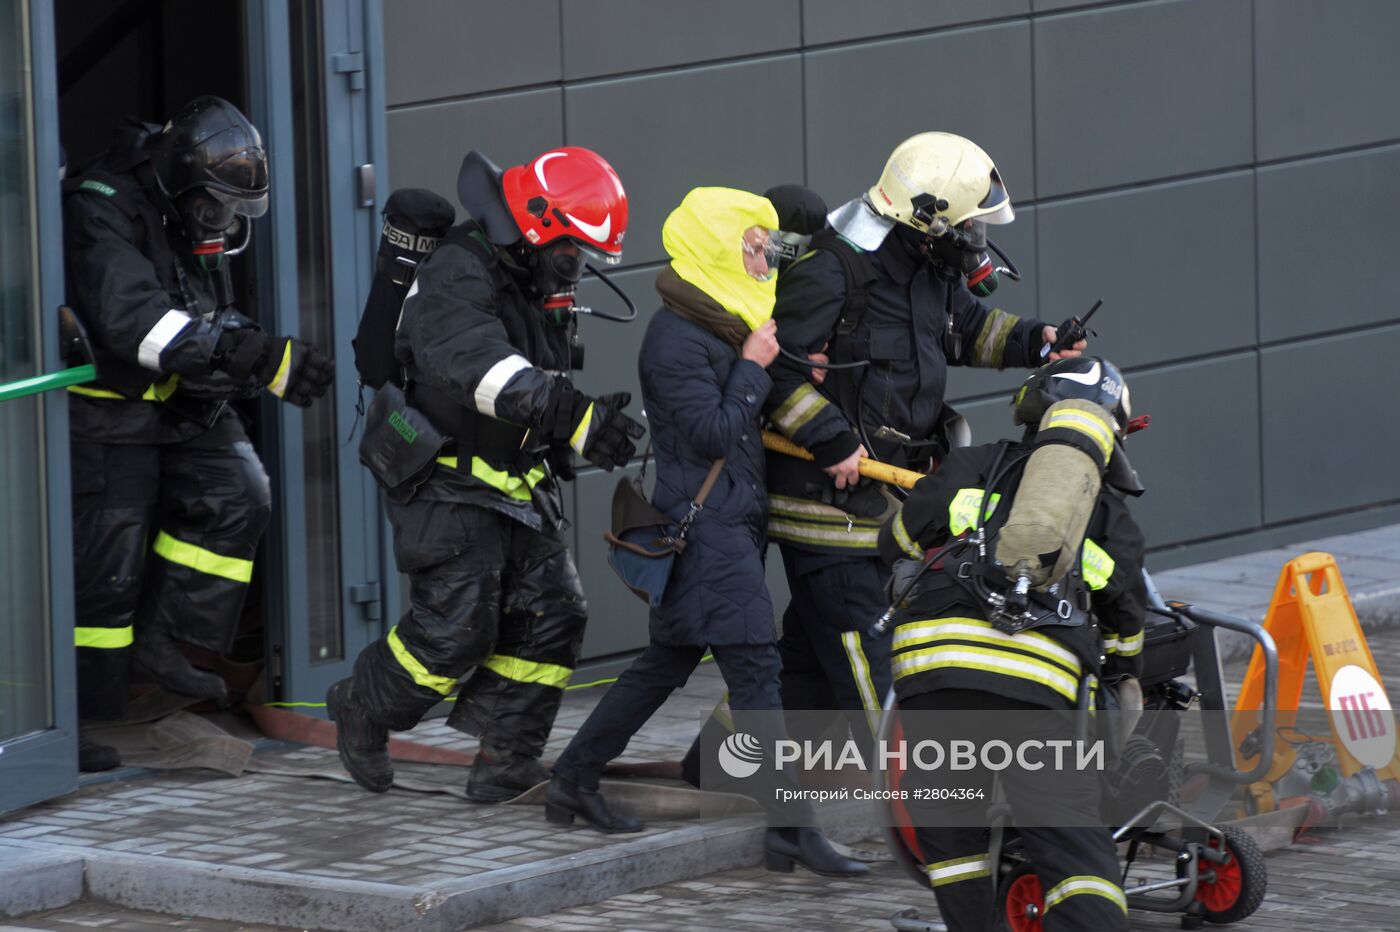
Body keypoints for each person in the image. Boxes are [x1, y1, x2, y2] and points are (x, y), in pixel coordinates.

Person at [546, 187, 866, 877]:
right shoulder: (676, 338)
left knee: (662, 665)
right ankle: (792, 829)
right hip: (708, 529)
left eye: (764, 248)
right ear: (718, 250)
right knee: (758, 672)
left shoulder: (723, 323)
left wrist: (780, 365)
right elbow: (715, 430)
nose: (763, 260)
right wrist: (753, 369)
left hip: (722, 525)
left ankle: (573, 777)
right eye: (753, 248)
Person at [327, 147, 645, 803]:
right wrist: (570, 414)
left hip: (513, 478)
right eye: (571, 253)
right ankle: (363, 704)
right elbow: (472, 360)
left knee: (553, 613)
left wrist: (569, 428)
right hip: (443, 475)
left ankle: (505, 759)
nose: (577, 268)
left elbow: (537, 371)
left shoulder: (531, 277)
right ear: (535, 227)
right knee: (453, 633)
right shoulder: (456, 270)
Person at [763, 132, 1087, 737]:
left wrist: (1038, 340)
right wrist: (832, 438)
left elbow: (967, 329)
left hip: (885, 499)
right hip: (827, 507)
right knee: (873, 671)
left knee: (807, 665)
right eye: (969, 229)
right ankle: (924, 803)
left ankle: (720, 771)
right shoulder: (834, 272)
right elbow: (775, 370)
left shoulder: (927, 267)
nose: (976, 244)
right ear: (926, 222)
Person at [63, 96, 334, 772]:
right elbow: (139, 326)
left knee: (241, 493)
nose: (225, 223)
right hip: (108, 415)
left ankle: (168, 646)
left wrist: (260, 363)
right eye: (218, 207)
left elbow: (208, 309)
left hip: (179, 404)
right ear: (183, 179)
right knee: (106, 578)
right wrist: (254, 360)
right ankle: (79, 723)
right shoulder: (98, 209)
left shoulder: (190, 205)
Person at [876, 356, 1146, 932]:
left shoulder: (973, 463)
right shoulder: (1107, 510)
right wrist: (1123, 668)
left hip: (935, 667)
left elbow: (895, 539)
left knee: (952, 835)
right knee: (1071, 843)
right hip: (1037, 688)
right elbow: (1126, 627)